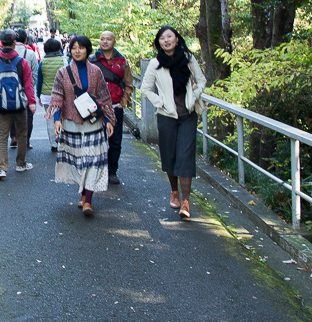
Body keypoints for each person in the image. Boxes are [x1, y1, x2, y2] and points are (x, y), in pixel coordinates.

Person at [139, 25, 207, 219]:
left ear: (177, 38)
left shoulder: (188, 59)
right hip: (166, 116)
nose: (166, 40)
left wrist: (195, 94)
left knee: (185, 156)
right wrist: (160, 102)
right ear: (158, 42)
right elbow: (145, 89)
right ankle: (174, 191)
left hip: (187, 115)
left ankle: (186, 201)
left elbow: (202, 81)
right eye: (162, 38)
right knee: (169, 156)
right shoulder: (155, 63)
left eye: (169, 36)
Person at [48, 35, 115, 217]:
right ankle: (83, 190)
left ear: (88, 50)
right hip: (71, 123)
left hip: (93, 122)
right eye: (74, 48)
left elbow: (104, 97)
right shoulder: (63, 72)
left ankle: (88, 200)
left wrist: (108, 120)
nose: (77, 51)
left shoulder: (96, 71)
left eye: (81, 48)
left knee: (93, 160)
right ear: (70, 50)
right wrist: (56, 119)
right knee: (78, 160)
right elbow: (57, 96)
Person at [0, 29, 36, 179]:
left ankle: (2, 168)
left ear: (1, 43)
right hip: (20, 104)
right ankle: (20, 163)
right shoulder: (22, 62)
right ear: (15, 43)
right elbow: (28, 84)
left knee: (2, 136)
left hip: (3, 105)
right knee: (22, 133)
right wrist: (32, 102)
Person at [91, 31, 135, 185]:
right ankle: (98, 170)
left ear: (114, 42)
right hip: (96, 108)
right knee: (97, 139)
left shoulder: (122, 61)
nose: (105, 42)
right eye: (102, 39)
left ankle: (112, 171)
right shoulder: (93, 60)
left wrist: (124, 101)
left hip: (116, 106)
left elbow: (129, 84)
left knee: (115, 140)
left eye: (108, 39)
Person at [37, 38, 66, 152]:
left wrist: (39, 94)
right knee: (62, 117)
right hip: (62, 94)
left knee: (50, 118)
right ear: (59, 48)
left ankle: (53, 143)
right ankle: (62, 139)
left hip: (47, 95)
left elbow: (40, 81)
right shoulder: (64, 60)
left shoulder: (42, 62)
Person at [13, 29, 39, 149]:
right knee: (28, 116)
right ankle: (26, 141)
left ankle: (13, 136)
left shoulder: (8, 52)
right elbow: (35, 73)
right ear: (25, 40)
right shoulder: (30, 54)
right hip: (25, 90)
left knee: (12, 113)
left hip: (10, 90)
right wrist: (29, 85)